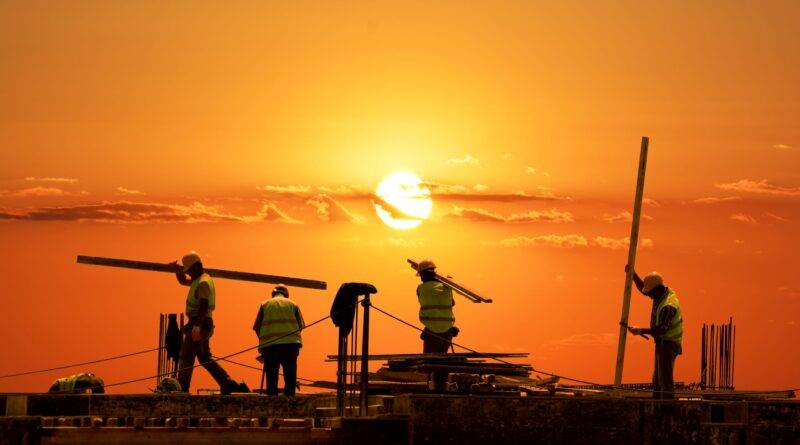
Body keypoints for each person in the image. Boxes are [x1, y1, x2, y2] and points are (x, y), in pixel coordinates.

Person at [170, 251, 239, 395]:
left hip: (200, 323)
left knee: (187, 355)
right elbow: (183, 281)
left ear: (196, 267)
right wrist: (177, 270)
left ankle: (182, 388)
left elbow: (203, 306)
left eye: (188, 271)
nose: (188, 274)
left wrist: (195, 326)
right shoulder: (198, 279)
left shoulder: (203, 283)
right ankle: (227, 382)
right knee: (204, 358)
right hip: (202, 323)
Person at [625, 265, 684, 399]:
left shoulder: (668, 306)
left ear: (657, 289)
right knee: (657, 381)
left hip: (668, 344)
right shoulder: (661, 293)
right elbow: (644, 289)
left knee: (665, 381)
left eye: (651, 293)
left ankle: (666, 411)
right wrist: (633, 274)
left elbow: (660, 331)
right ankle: (657, 406)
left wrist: (640, 330)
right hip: (662, 344)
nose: (649, 296)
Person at [253, 284, 305, 396]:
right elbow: (301, 326)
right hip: (290, 346)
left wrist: (265, 340)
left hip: (271, 347)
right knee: (290, 377)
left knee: (271, 379)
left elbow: (257, 328)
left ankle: (272, 402)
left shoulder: (265, 305)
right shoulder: (293, 304)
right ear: (286, 294)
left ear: (273, 294)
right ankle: (290, 402)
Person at [416, 260, 457, 354]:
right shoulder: (446, 287)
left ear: (423, 275)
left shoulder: (421, 288)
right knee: (442, 362)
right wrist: (446, 284)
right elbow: (452, 303)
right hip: (448, 330)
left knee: (428, 361)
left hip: (432, 330)